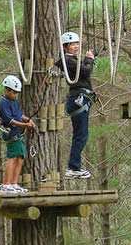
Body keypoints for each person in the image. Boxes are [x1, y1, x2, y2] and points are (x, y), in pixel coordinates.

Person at [56, 32, 95, 179]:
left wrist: (87, 60)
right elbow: (85, 72)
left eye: (77, 44)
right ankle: (73, 167)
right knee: (81, 135)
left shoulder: (72, 60)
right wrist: (89, 59)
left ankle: (74, 166)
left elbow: (84, 71)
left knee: (81, 135)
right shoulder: (68, 60)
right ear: (66, 47)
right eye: (73, 44)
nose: (76, 46)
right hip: (79, 99)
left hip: (80, 98)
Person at [0, 75, 36, 193]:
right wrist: (25, 126)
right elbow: (10, 121)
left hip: (18, 133)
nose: (16, 95)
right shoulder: (3, 103)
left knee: (20, 157)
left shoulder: (14, 101)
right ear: (7, 90)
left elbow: (19, 115)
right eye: (14, 93)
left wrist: (28, 120)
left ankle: (14, 183)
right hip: (10, 133)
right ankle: (6, 184)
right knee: (12, 157)